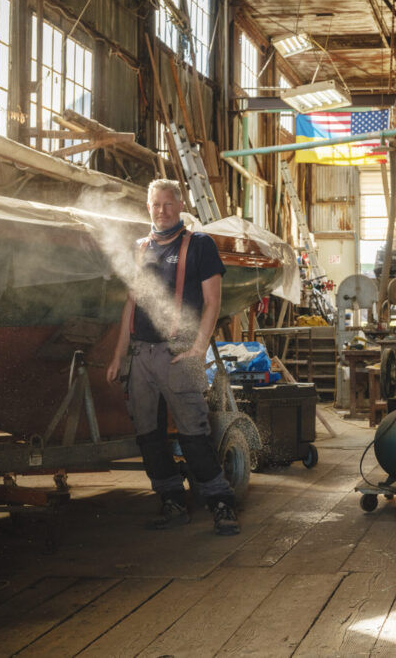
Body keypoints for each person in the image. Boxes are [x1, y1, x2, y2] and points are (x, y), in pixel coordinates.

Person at [106, 179, 240, 536]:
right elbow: (131, 304)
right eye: (155, 205)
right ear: (148, 208)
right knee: (148, 436)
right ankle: (171, 501)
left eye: (168, 204)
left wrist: (198, 348)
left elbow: (213, 302)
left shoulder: (199, 245)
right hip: (141, 355)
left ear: (180, 206)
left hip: (179, 353)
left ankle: (221, 502)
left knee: (194, 433)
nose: (161, 211)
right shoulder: (140, 248)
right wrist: (119, 356)